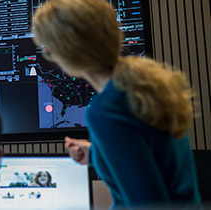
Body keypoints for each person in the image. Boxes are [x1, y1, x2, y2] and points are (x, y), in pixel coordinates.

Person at [33, 0, 201, 208]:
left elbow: (147, 203)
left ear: (68, 52)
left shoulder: (106, 110)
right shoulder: (150, 81)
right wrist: (98, 154)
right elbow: (155, 159)